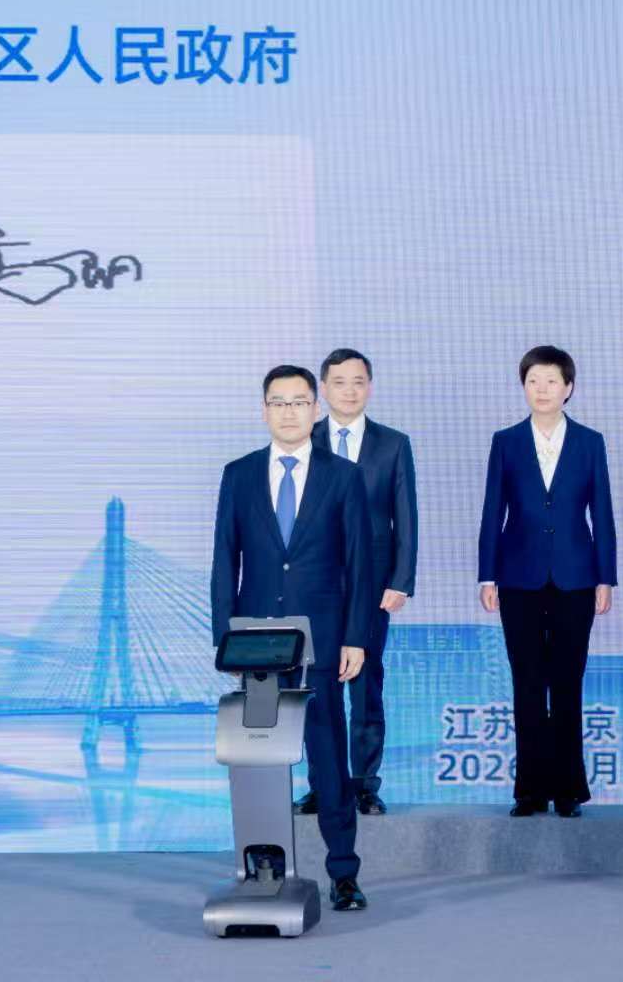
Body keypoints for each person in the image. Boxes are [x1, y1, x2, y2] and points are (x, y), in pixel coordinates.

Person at [210, 364, 382, 912]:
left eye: (299, 402)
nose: (289, 412)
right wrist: (224, 638)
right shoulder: (238, 475)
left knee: (328, 757)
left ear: (316, 409)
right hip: (256, 644)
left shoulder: (343, 476)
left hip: (323, 639)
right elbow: (224, 561)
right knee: (258, 756)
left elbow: (360, 566)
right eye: (279, 402)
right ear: (264, 410)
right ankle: (263, 866)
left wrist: (356, 638)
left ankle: (344, 872)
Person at [478, 345, 617, 817]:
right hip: (517, 578)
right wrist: (487, 575)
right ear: (523, 387)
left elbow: (602, 512)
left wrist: (605, 577)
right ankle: (530, 790)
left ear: (568, 388)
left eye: (551, 381)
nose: (542, 389)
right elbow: (492, 510)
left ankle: (568, 790)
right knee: (527, 683)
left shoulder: (590, 441)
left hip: (576, 578)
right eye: (533, 381)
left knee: (568, 682)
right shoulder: (506, 441)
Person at [297, 347, 418, 817]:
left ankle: (365, 784)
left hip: (373, 586)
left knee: (367, 685)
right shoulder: (304, 438)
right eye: (339, 382)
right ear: (323, 389)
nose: (349, 391)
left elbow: (405, 517)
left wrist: (401, 580)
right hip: (316, 583)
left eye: (358, 381)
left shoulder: (393, 444)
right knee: (316, 687)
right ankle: (322, 784)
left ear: (370, 387)